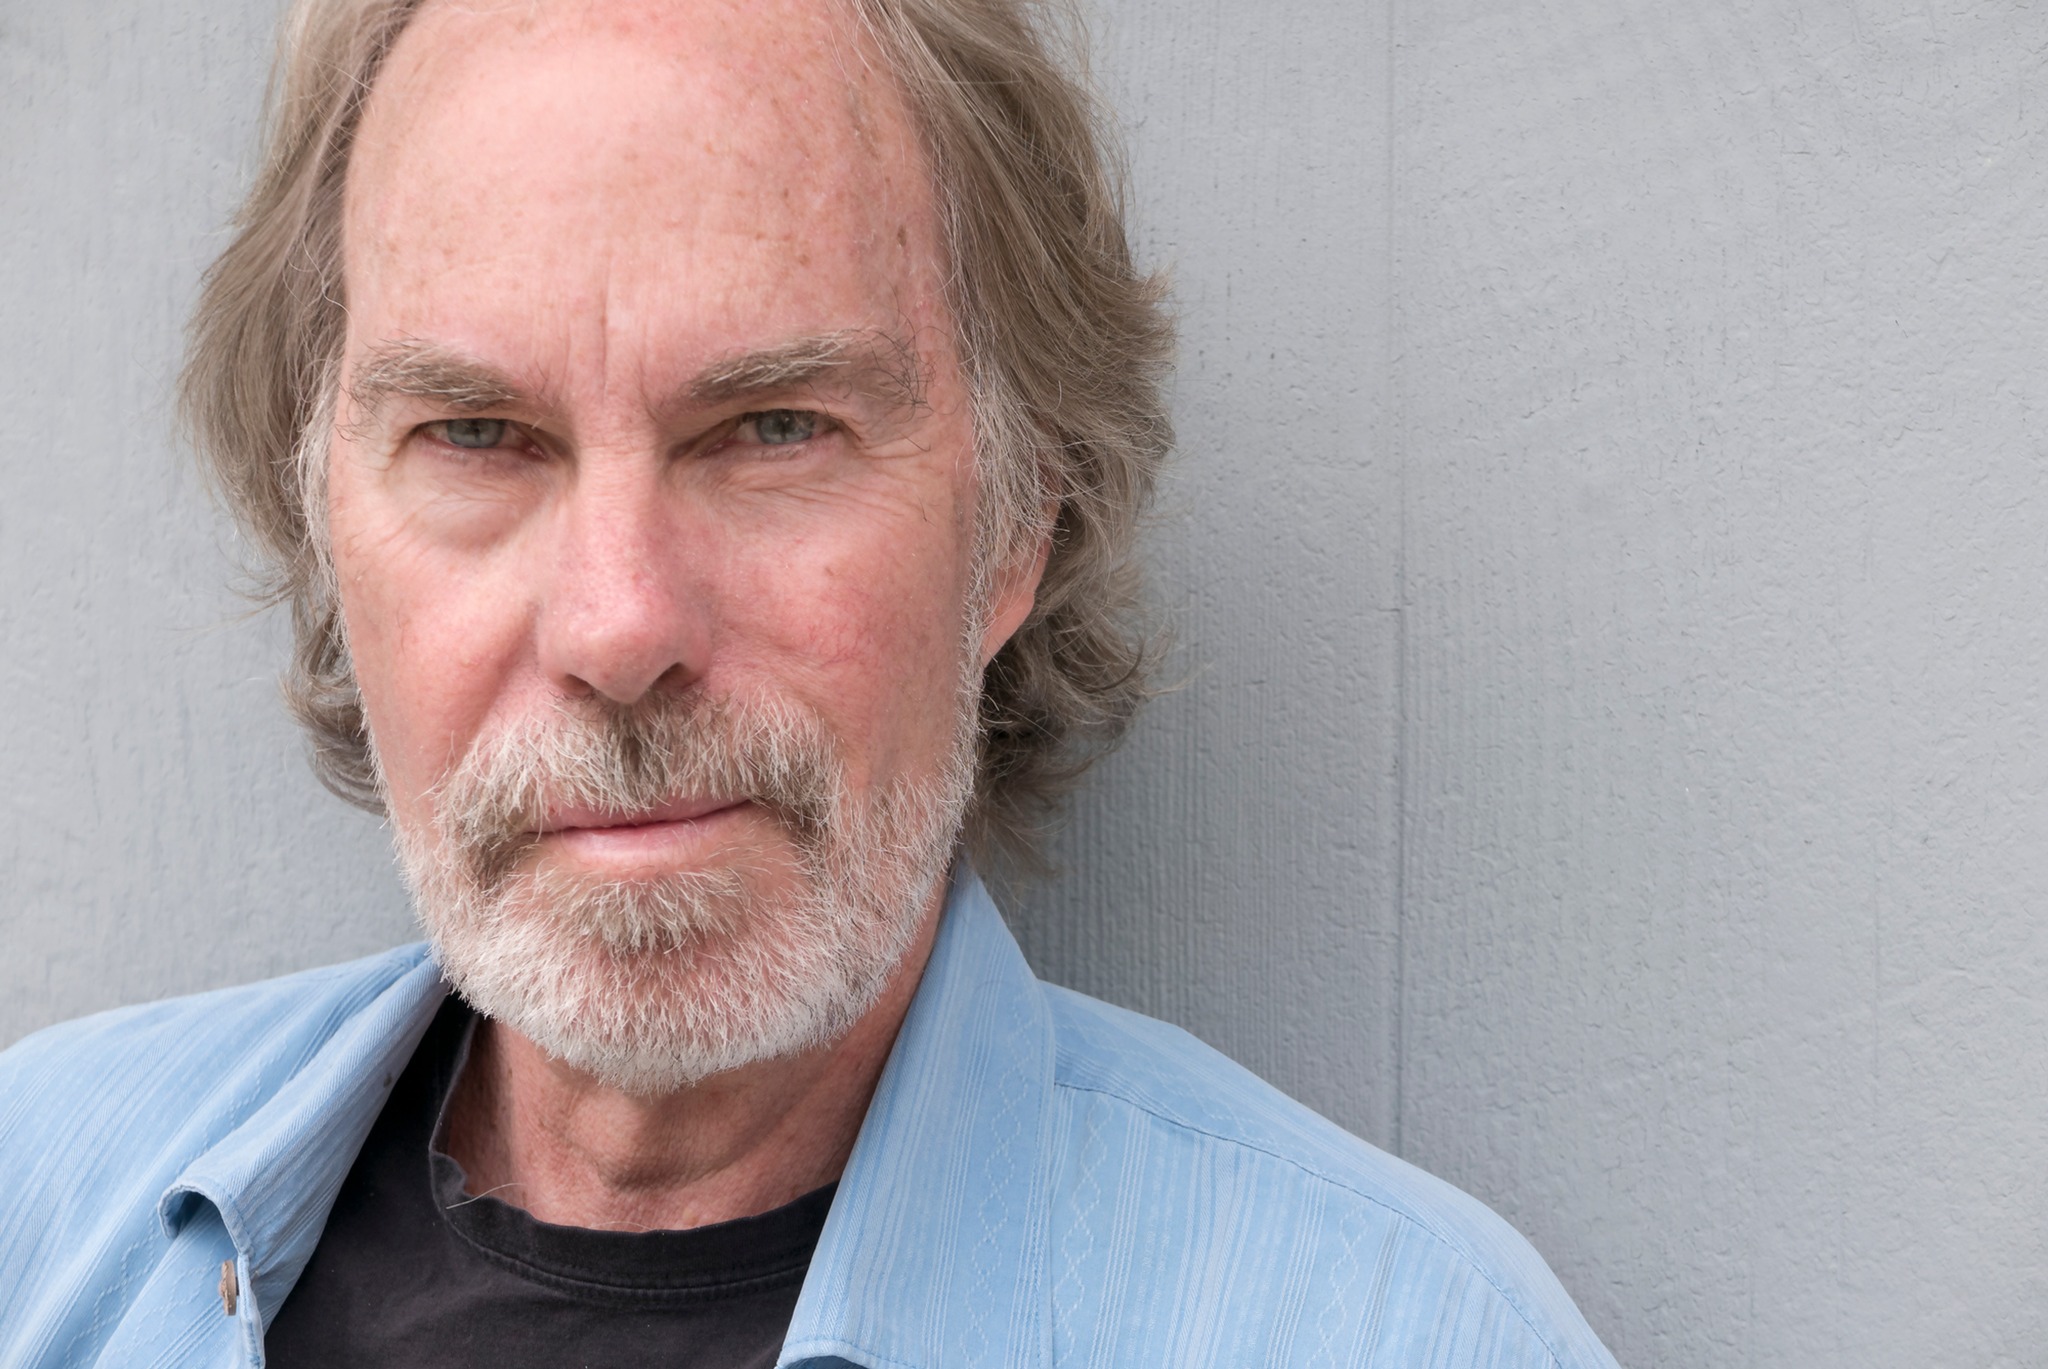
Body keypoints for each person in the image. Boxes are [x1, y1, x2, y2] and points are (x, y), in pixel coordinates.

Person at [0, 0, 1618, 1364]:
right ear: (322, 515)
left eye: (774, 429)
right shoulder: (36, 1211)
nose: (620, 627)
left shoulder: (1401, 1334)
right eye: (478, 436)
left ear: (1018, 520)